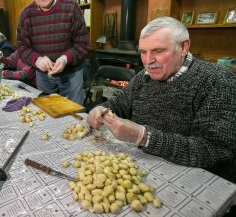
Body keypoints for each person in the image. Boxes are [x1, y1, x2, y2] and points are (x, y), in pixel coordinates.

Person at [86, 17, 236, 184]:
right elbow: (117, 105)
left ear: (183, 47)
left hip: (196, 180)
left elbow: (215, 151)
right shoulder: (144, 76)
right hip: (142, 168)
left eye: (158, 51)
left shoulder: (218, 81)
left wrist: (144, 136)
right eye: (143, 52)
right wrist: (99, 109)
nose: (148, 61)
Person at [16, 0, 90, 105]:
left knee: (74, 114)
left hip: (71, 74)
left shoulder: (71, 7)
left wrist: (65, 59)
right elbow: (21, 47)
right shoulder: (26, 14)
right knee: (48, 114)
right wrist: (37, 59)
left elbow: (83, 44)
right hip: (43, 77)